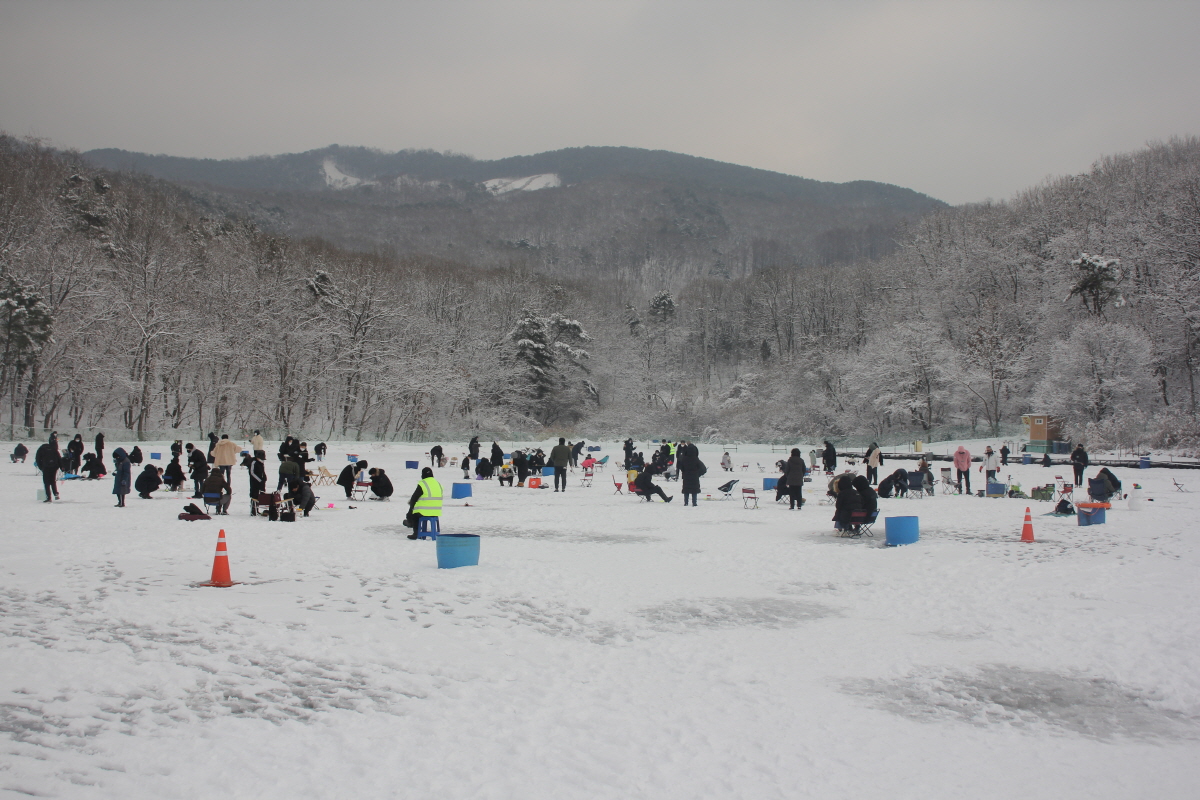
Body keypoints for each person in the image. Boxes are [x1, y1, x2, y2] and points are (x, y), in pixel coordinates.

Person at [404, 467, 443, 538]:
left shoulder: (423, 483)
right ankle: (410, 522)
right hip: (437, 511)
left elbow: (414, 498)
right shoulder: (438, 483)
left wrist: (411, 509)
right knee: (415, 511)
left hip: (424, 511)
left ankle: (415, 532)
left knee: (414, 513)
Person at [35, 437, 61, 502]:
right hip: (54, 467)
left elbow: (37, 459)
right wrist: (60, 466)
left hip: (46, 468)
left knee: (46, 483)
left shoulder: (41, 449)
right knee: (53, 481)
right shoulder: (54, 449)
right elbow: (59, 458)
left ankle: (48, 497)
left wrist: (41, 467)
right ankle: (55, 493)